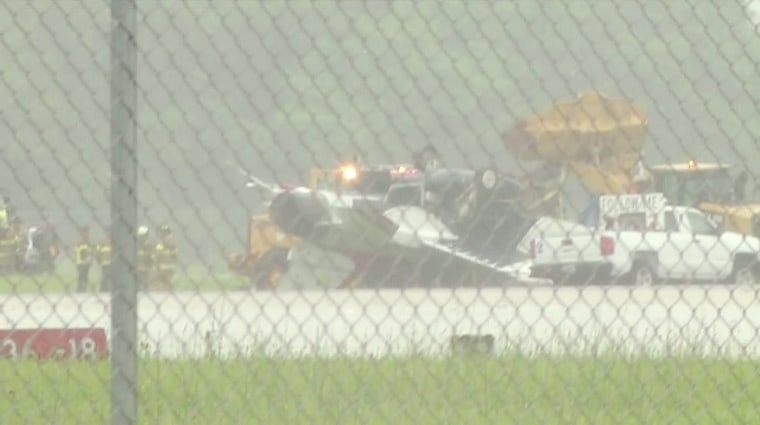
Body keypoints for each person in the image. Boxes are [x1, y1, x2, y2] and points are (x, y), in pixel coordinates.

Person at [152, 224, 177, 290]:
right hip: (169, 266)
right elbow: (175, 255)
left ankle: (165, 289)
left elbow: (157, 253)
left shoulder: (161, 242)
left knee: (162, 280)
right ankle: (167, 289)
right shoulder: (172, 241)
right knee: (165, 280)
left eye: (162, 232)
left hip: (163, 266)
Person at [75, 226, 93, 292]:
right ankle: (79, 290)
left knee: (85, 277)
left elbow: (90, 252)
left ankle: (83, 290)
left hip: (86, 262)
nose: (86, 234)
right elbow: (77, 251)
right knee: (80, 277)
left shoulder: (88, 242)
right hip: (80, 262)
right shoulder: (80, 242)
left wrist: (90, 261)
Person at [137, 225, 153, 290]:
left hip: (146, 269)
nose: (143, 237)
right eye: (141, 236)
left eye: (144, 236)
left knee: (145, 284)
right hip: (138, 269)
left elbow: (151, 258)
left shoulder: (149, 245)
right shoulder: (136, 245)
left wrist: (149, 267)